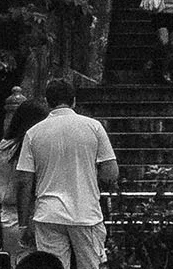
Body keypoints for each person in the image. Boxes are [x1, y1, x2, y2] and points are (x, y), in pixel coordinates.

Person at [14, 77, 119, 269]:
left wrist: (23, 223)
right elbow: (110, 173)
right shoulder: (94, 127)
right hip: (85, 212)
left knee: (52, 265)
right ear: (74, 100)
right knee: (91, 265)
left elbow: (23, 180)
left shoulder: (34, 133)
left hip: (48, 213)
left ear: (47, 102)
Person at [0, 100, 49, 262]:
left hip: (7, 213)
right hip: (26, 212)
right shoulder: (25, 148)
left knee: (15, 261)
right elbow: (24, 184)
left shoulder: (3, 146)